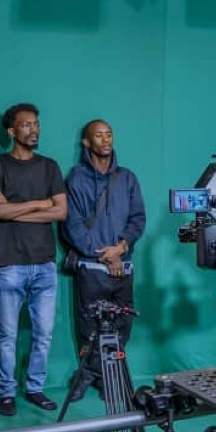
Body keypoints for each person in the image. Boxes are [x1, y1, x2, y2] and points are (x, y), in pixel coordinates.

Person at [0, 102, 67, 416]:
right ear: (11, 131)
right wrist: (40, 204)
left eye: (36, 124)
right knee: (6, 335)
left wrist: (15, 211)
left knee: (43, 334)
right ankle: (6, 393)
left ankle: (35, 389)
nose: (34, 129)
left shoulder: (50, 167)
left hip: (45, 264)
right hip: (9, 265)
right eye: (27, 124)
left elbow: (60, 211)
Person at [62, 119, 146, 401]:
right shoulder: (75, 179)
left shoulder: (128, 178)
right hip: (92, 269)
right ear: (87, 143)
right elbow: (71, 226)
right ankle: (89, 376)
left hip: (124, 267)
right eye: (98, 135)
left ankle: (104, 378)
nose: (105, 140)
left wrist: (121, 247)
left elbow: (138, 219)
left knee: (121, 327)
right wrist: (106, 256)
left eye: (109, 134)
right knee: (90, 327)